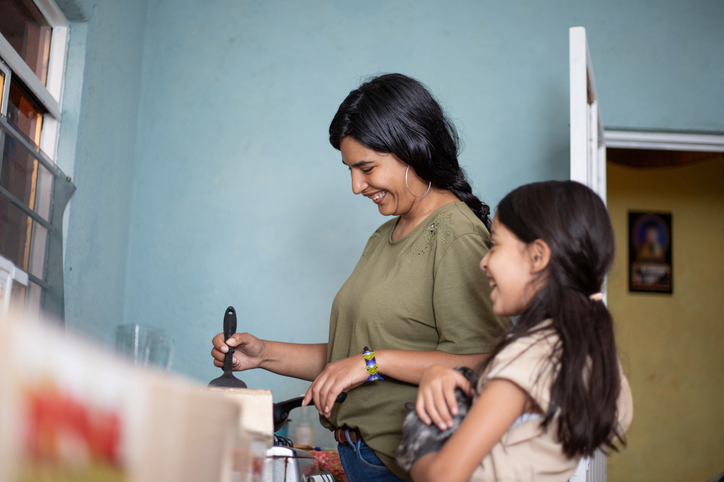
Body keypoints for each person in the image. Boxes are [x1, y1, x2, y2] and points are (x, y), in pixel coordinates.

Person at [211, 73, 510, 481]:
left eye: (366, 168)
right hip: (359, 457)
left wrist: (374, 362)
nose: (355, 186)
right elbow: (350, 358)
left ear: (411, 149)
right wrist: (262, 354)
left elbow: (482, 361)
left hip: (399, 464)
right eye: (349, 169)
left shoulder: (455, 233)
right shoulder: (386, 234)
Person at [407, 180, 634, 482]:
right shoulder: (591, 350)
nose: (484, 262)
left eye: (495, 245)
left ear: (538, 256)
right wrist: (452, 375)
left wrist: (419, 438)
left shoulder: (532, 354)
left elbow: (443, 476)